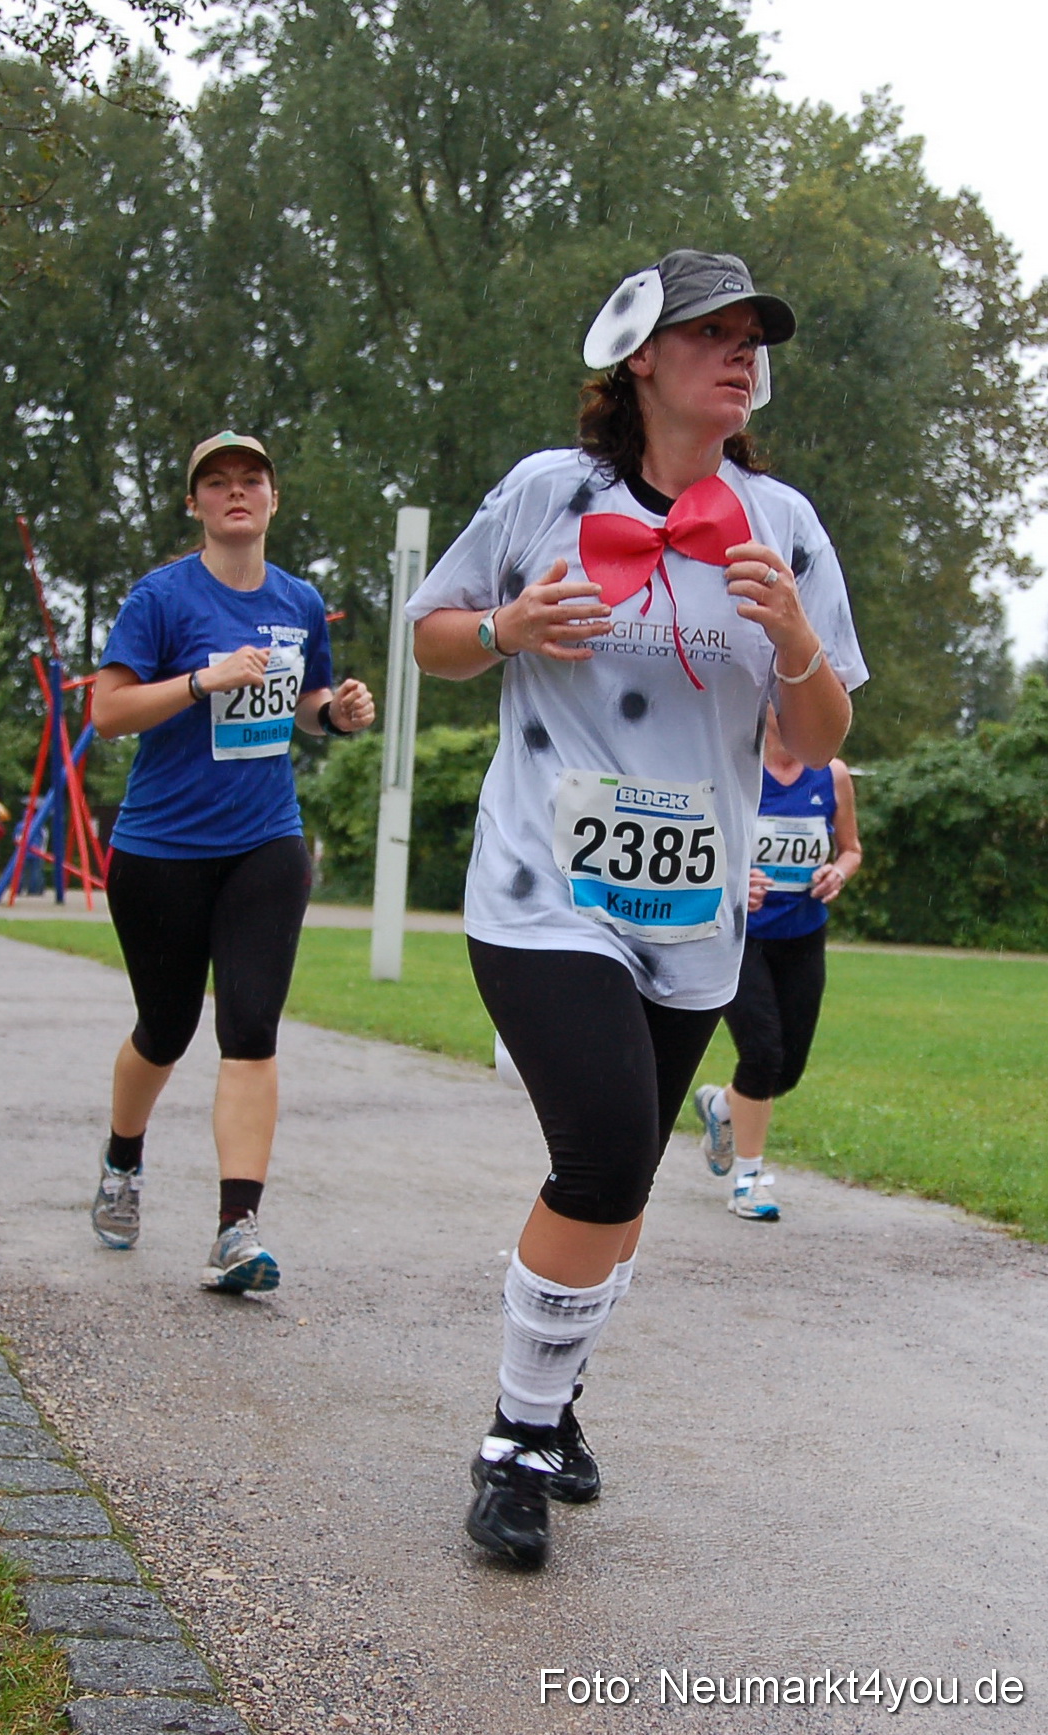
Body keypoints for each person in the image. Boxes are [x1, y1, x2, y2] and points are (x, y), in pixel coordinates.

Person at [406, 248, 868, 1569]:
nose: (740, 352)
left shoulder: (781, 522)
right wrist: (504, 626)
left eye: (750, 336)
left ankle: (553, 1406)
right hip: (539, 883)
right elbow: (432, 635)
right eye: (710, 331)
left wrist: (789, 636)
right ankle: (511, 1438)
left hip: (692, 907)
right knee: (606, 1144)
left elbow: (813, 735)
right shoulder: (547, 493)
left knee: (624, 1174)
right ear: (641, 359)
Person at [90, 430, 374, 1292]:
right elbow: (107, 712)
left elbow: (305, 703)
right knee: (166, 1028)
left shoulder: (298, 599)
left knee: (250, 1028)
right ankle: (122, 1158)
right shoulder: (161, 599)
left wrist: (338, 713)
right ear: (195, 505)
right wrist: (198, 682)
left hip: (265, 843)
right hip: (161, 849)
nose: (236, 492)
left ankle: (235, 1228)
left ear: (274, 499)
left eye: (251, 479)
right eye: (216, 483)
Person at [692, 706, 862, 1220]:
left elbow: (851, 848)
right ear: (761, 706)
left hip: (803, 936)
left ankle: (721, 1107)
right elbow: (700, 843)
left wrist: (838, 871)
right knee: (762, 1053)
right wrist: (735, 877)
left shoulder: (832, 773)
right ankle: (749, 1181)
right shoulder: (732, 764)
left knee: (783, 1072)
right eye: (777, 699)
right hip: (742, 938)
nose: (790, 710)